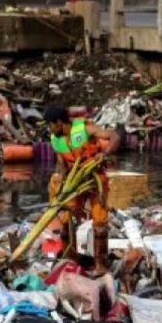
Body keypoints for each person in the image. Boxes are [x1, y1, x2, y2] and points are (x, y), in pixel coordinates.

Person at [45, 106, 118, 272]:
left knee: (99, 222)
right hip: (74, 183)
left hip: (94, 180)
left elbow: (114, 136)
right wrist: (60, 183)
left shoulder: (84, 129)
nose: (49, 129)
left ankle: (100, 265)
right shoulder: (56, 139)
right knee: (67, 220)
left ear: (58, 122)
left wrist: (105, 154)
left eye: (50, 125)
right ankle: (71, 257)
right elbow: (61, 164)